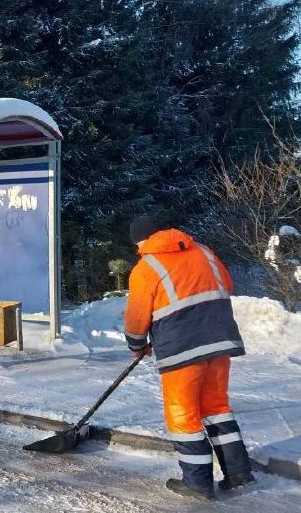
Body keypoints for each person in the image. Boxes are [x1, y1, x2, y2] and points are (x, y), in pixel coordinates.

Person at [124, 214, 254, 501]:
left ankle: (197, 483)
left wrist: (136, 343)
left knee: (183, 415)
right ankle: (239, 473)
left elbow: (136, 315)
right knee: (217, 407)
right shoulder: (204, 251)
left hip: (182, 347)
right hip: (220, 339)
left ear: (142, 241)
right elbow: (226, 284)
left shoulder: (147, 267)